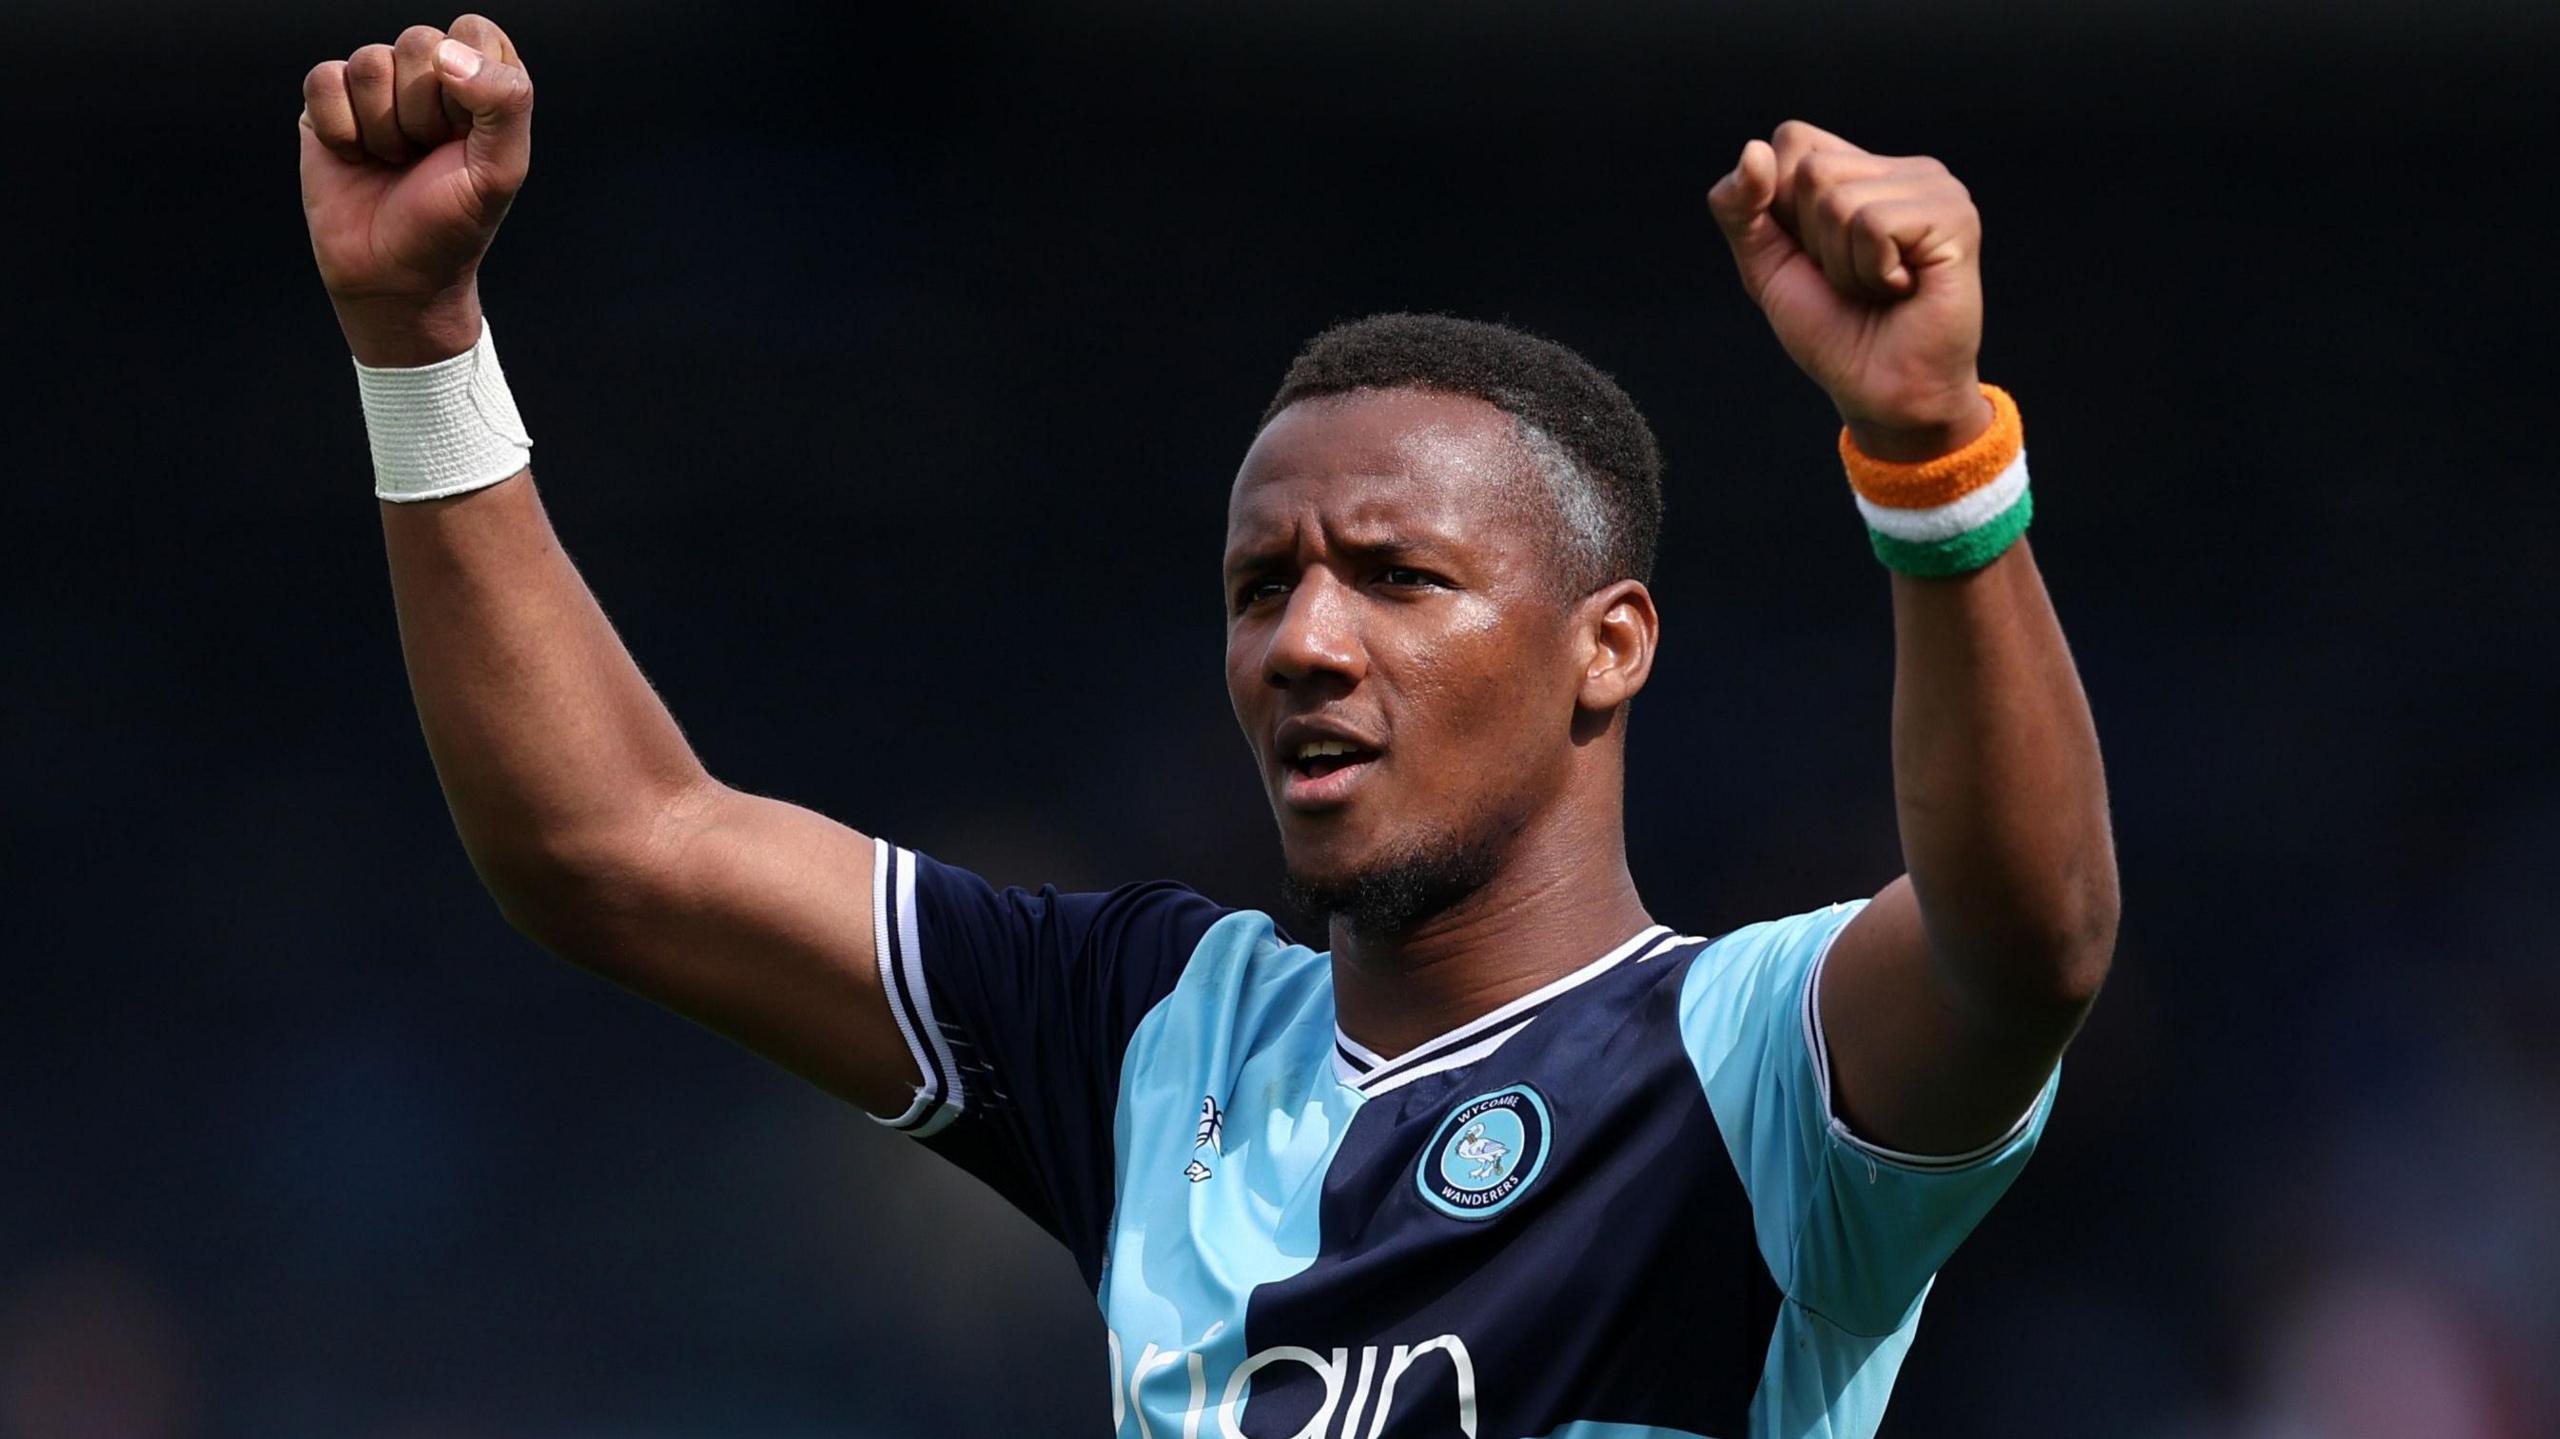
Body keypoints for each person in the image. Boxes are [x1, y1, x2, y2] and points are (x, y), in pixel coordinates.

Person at [300, 15, 2118, 1438]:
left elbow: (2028, 941)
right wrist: (418, 339)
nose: (1304, 643)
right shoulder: (1155, 1033)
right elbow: (613, 846)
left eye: (1397, 577)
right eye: (1263, 589)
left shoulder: (1750, 1068)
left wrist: (1931, 454)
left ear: (1609, 646)